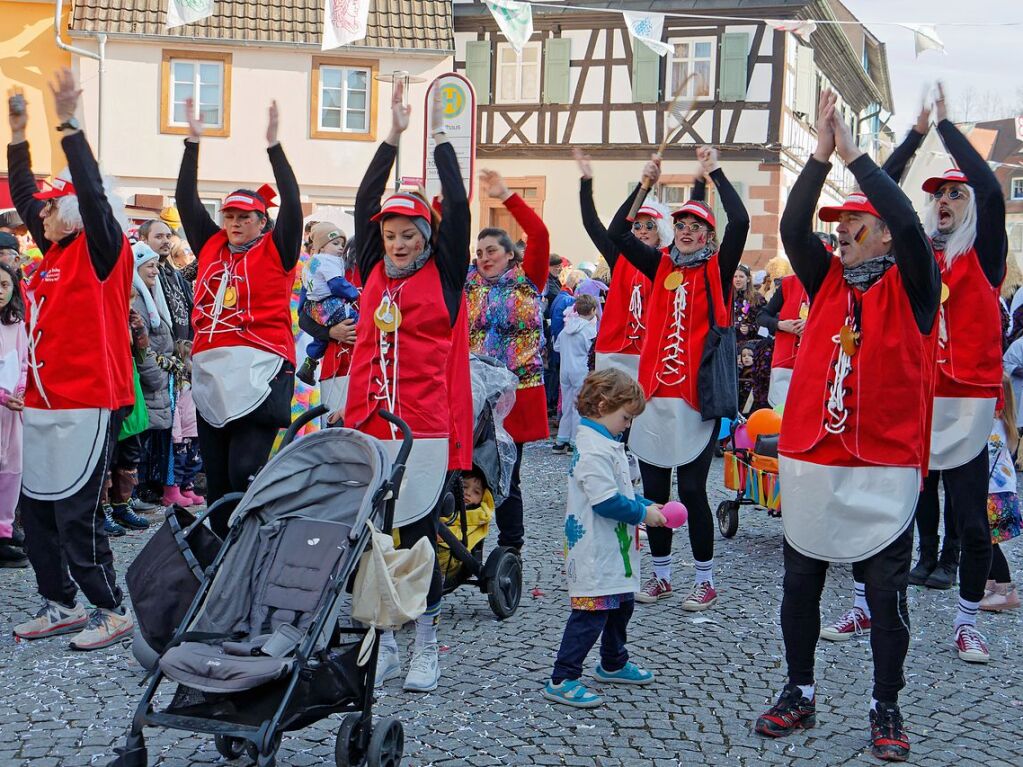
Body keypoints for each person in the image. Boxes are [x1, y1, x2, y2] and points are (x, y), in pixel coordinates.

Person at [754, 91, 939, 762]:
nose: (841, 233)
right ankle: (797, 690)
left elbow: (909, 224)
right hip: (812, 459)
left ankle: (884, 704)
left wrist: (858, 158)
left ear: (884, 232)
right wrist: (819, 158)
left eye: (855, 224)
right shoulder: (825, 279)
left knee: (885, 596)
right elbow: (794, 229)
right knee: (798, 585)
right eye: (841, 227)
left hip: (883, 464)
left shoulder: (916, 282)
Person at [827, 86, 1007, 663]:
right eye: (940, 195)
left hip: (969, 403)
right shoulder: (916, 255)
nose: (948, 201)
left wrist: (949, 128)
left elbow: (989, 188)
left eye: (956, 194)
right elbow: (878, 198)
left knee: (973, 522)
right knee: (888, 506)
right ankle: (863, 602)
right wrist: (912, 135)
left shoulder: (986, 254)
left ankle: (968, 620)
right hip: (915, 396)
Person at [344, 82, 471, 693]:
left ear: (426, 237)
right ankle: (385, 641)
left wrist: (441, 141)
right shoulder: (371, 269)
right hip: (368, 422)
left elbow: (462, 217)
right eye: (391, 233)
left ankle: (427, 645)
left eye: (409, 233)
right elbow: (367, 196)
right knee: (370, 539)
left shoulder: (444, 277)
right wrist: (391, 136)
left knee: (417, 536)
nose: (398, 242)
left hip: (422, 427)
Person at [8, 71, 137, 650]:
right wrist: (17, 138)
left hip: (88, 401)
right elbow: (25, 194)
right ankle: (58, 601)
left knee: (76, 514)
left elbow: (86, 188)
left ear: (79, 210)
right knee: (35, 513)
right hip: (43, 401)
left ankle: (110, 609)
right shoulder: (46, 259)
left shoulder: (104, 250)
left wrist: (70, 125)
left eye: (55, 208)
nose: (42, 218)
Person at [608, 145, 749, 610]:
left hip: (694, 398)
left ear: (709, 236)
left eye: (697, 227)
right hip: (653, 399)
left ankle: (705, 579)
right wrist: (643, 185)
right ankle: (662, 576)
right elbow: (618, 232)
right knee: (653, 492)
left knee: (691, 490)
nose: (687, 232)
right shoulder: (660, 264)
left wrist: (716, 173)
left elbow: (742, 222)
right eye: (681, 225)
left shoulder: (717, 269)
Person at [176, 97, 302, 536]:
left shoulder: (277, 251)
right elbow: (184, 199)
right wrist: (193, 142)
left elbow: (293, 203)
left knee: (245, 470)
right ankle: (223, 562)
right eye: (228, 215)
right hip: (213, 373)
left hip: (259, 369)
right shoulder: (211, 247)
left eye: (244, 217)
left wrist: (274, 147)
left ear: (261, 221)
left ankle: (252, 544)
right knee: (218, 482)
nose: (233, 223)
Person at [543, 368, 666, 708]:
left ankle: (613, 661)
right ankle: (563, 677)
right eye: (625, 417)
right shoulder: (594, 448)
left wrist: (643, 503)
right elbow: (605, 500)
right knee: (591, 614)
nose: (628, 425)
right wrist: (643, 514)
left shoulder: (606, 442)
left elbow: (620, 491)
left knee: (622, 605)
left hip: (613, 550)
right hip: (595, 551)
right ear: (601, 406)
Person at [465, 168, 551, 553]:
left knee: (505, 475)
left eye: (492, 251)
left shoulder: (527, 279)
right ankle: (471, 543)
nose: (484, 258)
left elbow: (541, 234)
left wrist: (505, 195)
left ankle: (511, 549)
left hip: (516, 394)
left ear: (510, 255)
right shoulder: (468, 285)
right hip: (473, 393)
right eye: (479, 252)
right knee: (469, 473)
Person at [575, 148, 668, 380]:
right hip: (615, 350)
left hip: (652, 350)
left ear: (661, 230)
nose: (643, 231)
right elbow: (592, 224)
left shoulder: (667, 261)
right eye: (636, 226)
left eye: (650, 226)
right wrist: (586, 183)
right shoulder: (620, 256)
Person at [132, 242, 178, 518]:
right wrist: (158, 375)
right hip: (151, 379)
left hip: (160, 376)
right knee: (138, 441)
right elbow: (142, 346)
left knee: (148, 439)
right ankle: (132, 495)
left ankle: (141, 491)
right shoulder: (137, 298)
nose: (155, 271)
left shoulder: (151, 294)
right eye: (149, 266)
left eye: (155, 265)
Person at [296, 223, 359, 386]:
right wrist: (330, 332)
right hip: (336, 367)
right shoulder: (326, 268)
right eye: (336, 244)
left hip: (374, 368)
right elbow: (303, 319)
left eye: (341, 244)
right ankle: (309, 363)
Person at [981, 374, 1021, 611]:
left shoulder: (994, 426)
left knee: (988, 542)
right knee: (989, 542)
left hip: (993, 493)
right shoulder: (1007, 425)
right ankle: (994, 587)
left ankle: (1005, 590)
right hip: (1003, 492)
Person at [0, 260, 28, 567]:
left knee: (11, 470)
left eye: (5, 285)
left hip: (12, 410)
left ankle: (4, 531)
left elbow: (23, 362)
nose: (0, 291)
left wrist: (20, 391)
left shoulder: (16, 324)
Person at [553, 294, 599, 452]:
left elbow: (556, 347)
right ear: (592, 310)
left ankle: (561, 440)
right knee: (579, 405)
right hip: (581, 369)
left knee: (566, 404)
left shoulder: (567, 328)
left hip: (565, 370)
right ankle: (574, 441)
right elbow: (592, 351)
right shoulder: (589, 330)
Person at [757, 273, 810, 407]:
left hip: (817, 364)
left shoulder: (833, 282)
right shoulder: (789, 283)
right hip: (785, 363)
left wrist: (813, 324)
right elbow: (762, 316)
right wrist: (780, 325)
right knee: (782, 416)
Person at [139, 219, 193, 343]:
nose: (166, 241)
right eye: (159, 237)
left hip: (184, 354)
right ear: (143, 240)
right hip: (162, 354)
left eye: (168, 236)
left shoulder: (177, 276)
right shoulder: (141, 278)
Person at [732, 264, 765, 345]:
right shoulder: (729, 298)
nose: (738, 279)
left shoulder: (757, 298)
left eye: (741, 277)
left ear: (748, 279)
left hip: (751, 345)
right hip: (732, 343)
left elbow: (765, 323)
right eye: (735, 276)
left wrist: (750, 328)